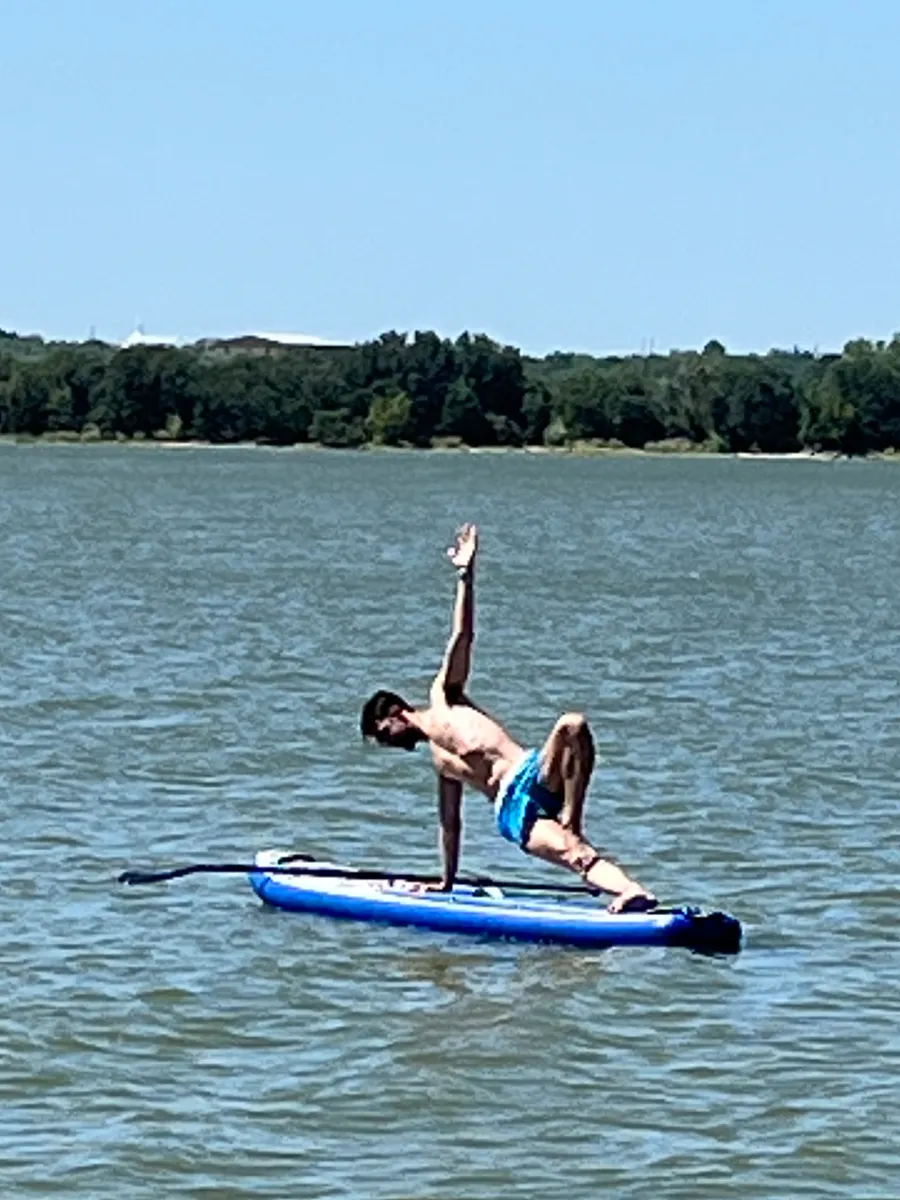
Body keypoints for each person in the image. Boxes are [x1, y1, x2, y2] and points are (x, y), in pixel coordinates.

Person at [360, 523, 656, 913]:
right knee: (573, 853)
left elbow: (462, 636)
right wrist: (444, 882)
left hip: (533, 769)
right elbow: (451, 823)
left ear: (394, 713)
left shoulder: (444, 697)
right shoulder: (439, 763)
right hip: (512, 808)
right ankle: (632, 892)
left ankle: (573, 815)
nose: (388, 744)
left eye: (383, 735)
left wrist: (466, 576)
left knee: (573, 725)